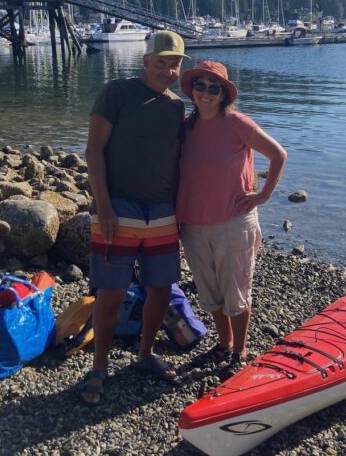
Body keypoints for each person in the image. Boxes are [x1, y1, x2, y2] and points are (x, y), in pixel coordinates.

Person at [78, 30, 189, 406]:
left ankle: (144, 355)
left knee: (160, 289)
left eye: (174, 64)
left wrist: (183, 211)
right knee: (110, 293)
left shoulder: (176, 107)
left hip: (162, 211)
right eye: (161, 63)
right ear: (146, 62)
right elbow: (94, 149)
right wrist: (103, 205)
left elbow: (177, 162)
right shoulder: (116, 93)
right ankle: (99, 366)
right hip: (119, 208)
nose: (168, 70)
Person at [176, 60, 287, 378]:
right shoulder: (187, 127)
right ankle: (223, 343)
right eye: (201, 86)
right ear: (192, 90)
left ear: (224, 94)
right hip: (194, 224)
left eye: (214, 88)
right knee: (209, 292)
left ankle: (240, 351)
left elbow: (278, 154)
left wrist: (262, 196)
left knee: (236, 291)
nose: (206, 93)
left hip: (234, 222)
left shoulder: (238, 123)